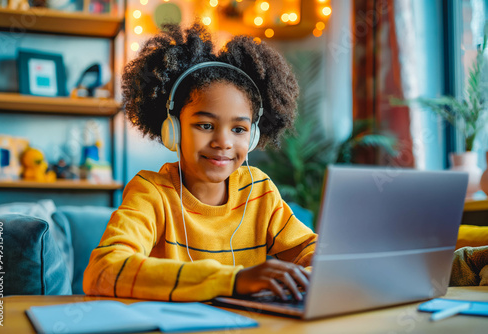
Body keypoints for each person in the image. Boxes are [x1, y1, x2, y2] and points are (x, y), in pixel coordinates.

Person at [83, 23, 317, 302]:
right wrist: (233, 281)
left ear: (253, 136)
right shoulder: (152, 193)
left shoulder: (259, 191)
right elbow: (103, 270)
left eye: (239, 129)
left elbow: (313, 251)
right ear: (173, 129)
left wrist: (318, 275)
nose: (223, 142)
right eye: (205, 125)